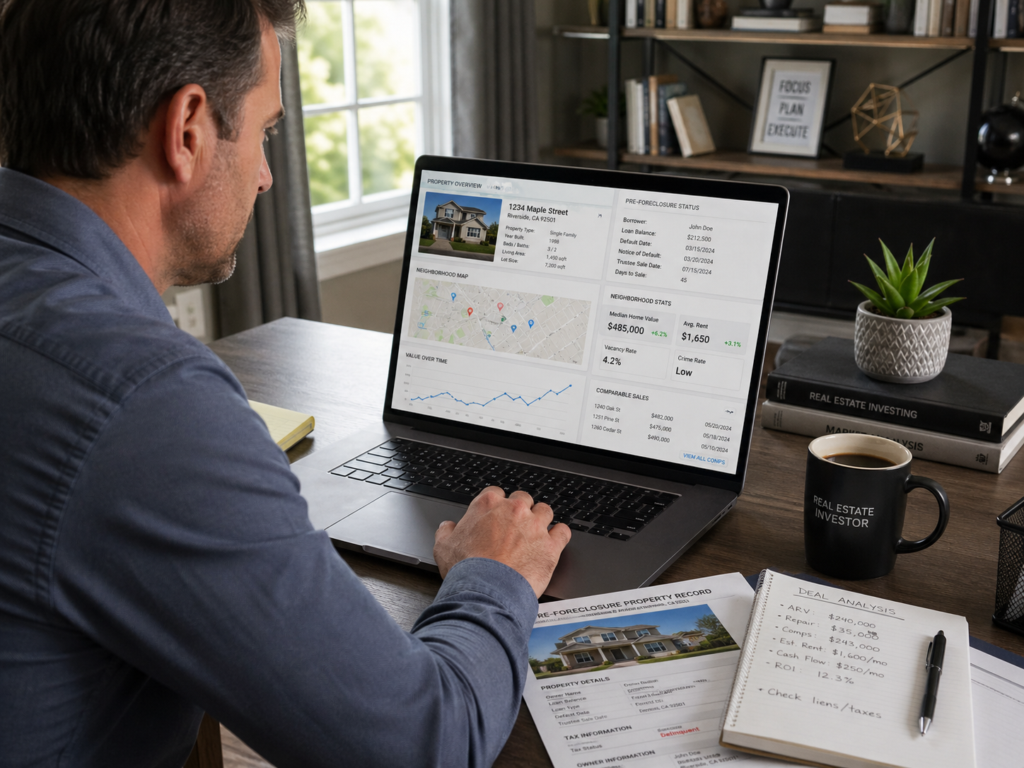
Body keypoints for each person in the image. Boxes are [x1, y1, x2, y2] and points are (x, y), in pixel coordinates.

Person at [0, 1, 571, 766]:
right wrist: (491, 576)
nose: (268, 176)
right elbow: (420, 744)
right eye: (265, 132)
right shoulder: (143, 403)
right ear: (189, 129)